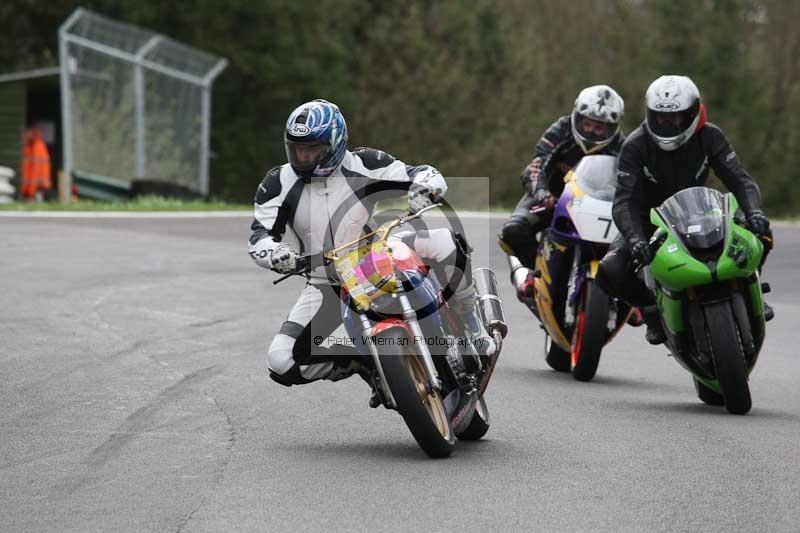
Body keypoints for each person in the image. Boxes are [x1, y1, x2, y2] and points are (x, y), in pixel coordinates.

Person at [248, 99, 489, 397]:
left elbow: (424, 172)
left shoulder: (364, 162)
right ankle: (366, 364)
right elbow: (259, 235)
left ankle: (470, 319)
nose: (304, 156)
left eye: (313, 148)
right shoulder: (277, 183)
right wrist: (274, 253)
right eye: (298, 149)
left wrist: (424, 190)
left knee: (445, 240)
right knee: (281, 360)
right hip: (327, 282)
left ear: (334, 144)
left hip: (378, 256)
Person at [597, 75, 774, 345]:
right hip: (649, 219)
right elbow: (623, 201)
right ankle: (652, 310)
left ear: (693, 113)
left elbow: (740, 180)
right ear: (649, 114)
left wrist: (754, 212)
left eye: (675, 119)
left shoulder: (710, 136)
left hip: (701, 210)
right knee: (611, 269)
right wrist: (634, 239)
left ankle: (752, 287)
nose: (666, 125)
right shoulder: (635, 145)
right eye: (659, 118)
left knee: (761, 231)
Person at [498, 85, 626, 300]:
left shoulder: (622, 145)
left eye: (600, 128)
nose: (592, 132)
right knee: (513, 230)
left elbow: (630, 182)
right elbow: (535, 167)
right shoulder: (561, 130)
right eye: (587, 124)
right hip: (552, 198)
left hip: (597, 207)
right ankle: (535, 272)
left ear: (613, 127)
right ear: (577, 117)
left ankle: (627, 295)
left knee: (634, 239)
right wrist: (542, 193)